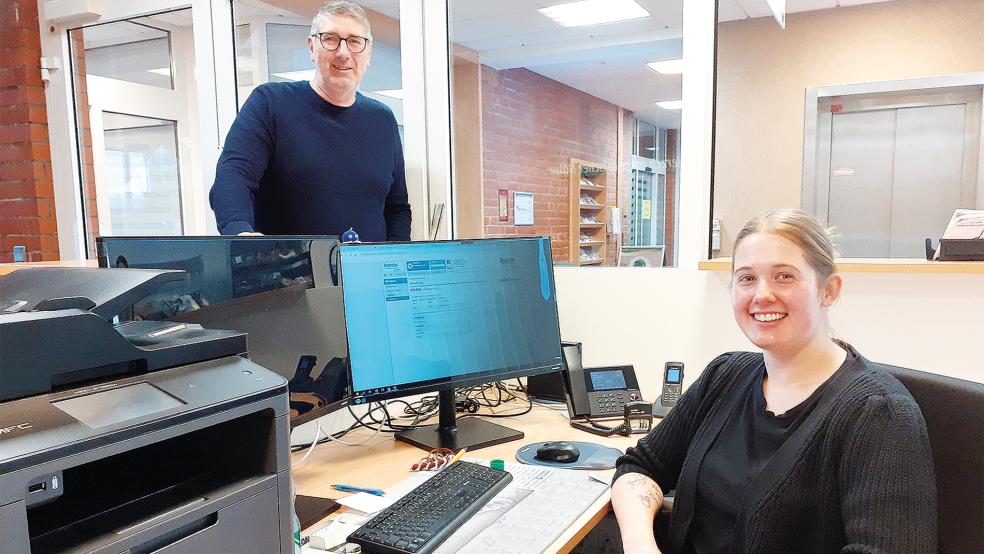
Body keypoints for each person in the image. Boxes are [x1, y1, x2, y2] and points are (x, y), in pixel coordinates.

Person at [611, 209, 937, 553]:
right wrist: (639, 544)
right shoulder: (725, 376)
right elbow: (641, 466)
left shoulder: (879, 414)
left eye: (784, 276)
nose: (761, 295)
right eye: (747, 278)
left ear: (828, 290)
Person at [209, 0, 411, 241]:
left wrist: (397, 260)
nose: (343, 53)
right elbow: (233, 175)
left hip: (367, 275)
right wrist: (239, 233)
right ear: (312, 47)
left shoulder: (383, 120)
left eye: (355, 41)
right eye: (331, 39)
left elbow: (397, 208)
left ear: (368, 53)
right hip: (290, 275)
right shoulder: (270, 103)